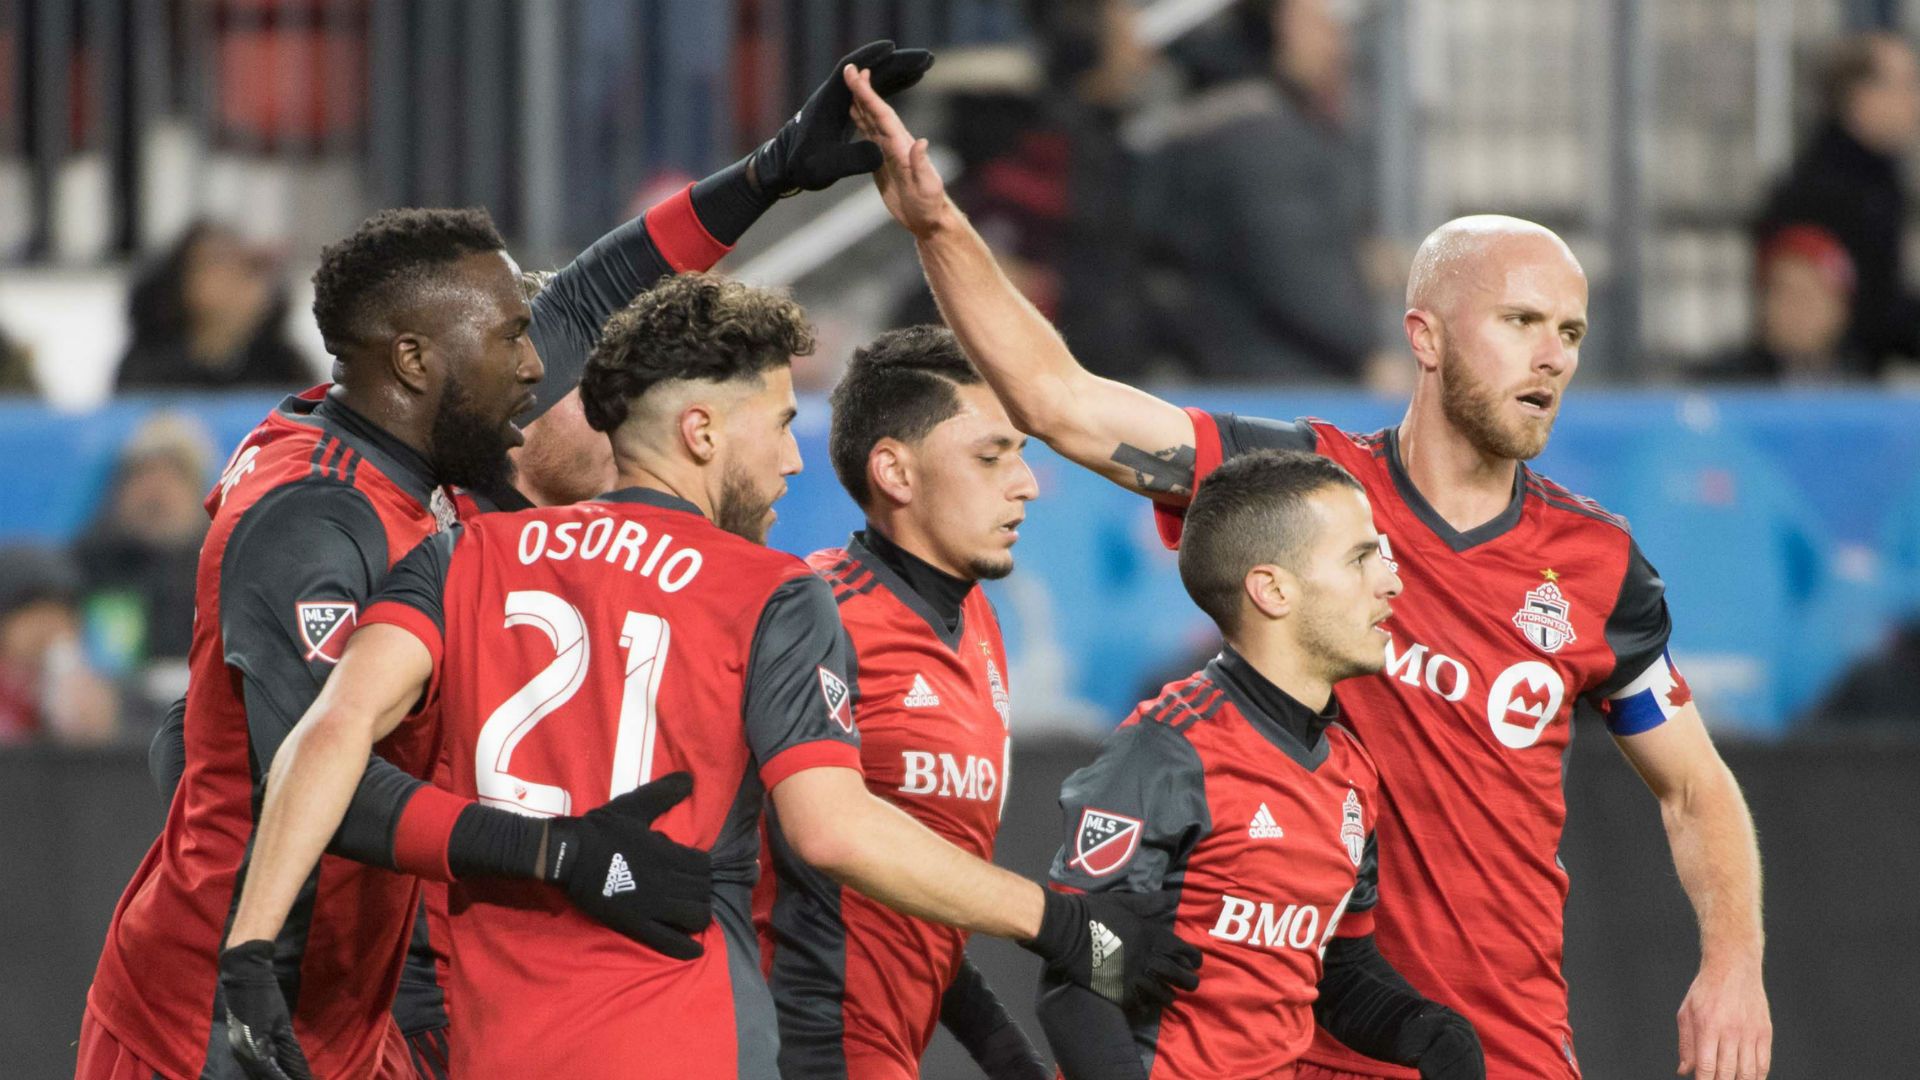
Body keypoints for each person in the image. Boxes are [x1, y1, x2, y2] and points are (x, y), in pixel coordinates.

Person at [846, 68, 1772, 1080]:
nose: (1552, 356)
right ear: (1424, 336)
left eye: (1572, 333)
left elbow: (1694, 791)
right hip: (1298, 1045)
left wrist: (1734, 965)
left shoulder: (1598, 566)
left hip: (1501, 1047)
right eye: (1520, 322)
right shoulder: (1300, 488)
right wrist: (936, 225)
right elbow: (1060, 403)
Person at [103, 42, 945, 1080]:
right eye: (512, 342)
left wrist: (769, 172)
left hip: (343, 1005)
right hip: (213, 1020)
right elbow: (318, 774)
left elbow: (594, 294)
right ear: (415, 360)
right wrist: (561, 854)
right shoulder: (313, 519)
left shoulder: (414, 428)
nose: (540, 366)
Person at [218, 273, 1201, 1080]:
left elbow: (327, 734)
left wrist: (249, 951)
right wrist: (1062, 924)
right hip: (689, 1036)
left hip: (499, 1047)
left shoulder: (462, 556)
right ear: (700, 432)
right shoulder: (770, 593)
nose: (792, 459)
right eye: (777, 423)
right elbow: (832, 825)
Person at [1037, 449, 1482, 1079]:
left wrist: (1427, 1031)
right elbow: (1078, 984)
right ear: (1272, 590)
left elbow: (1337, 971)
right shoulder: (1164, 753)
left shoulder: (1351, 769)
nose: (1391, 581)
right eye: (1360, 558)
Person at [756, 325, 1048, 1079]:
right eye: (992, 456)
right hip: (798, 1048)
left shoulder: (976, 620)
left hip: (887, 1050)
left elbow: (906, 887)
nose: (1026, 483)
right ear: (895, 471)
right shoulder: (815, 614)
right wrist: (1060, 925)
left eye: (1021, 453)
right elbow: (821, 845)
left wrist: (1001, 1048)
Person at [1133, 0, 1384, 383]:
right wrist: (1369, 353)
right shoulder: (1255, 134)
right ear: (1273, 30)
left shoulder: (1262, 121)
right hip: (1274, 380)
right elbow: (1292, 268)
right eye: (1318, 27)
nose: (1335, 45)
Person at [1755, 31, 1920, 373]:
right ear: (1860, 95)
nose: (1915, 101)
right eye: (1906, 84)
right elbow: (1872, 313)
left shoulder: (1873, 180)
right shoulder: (1828, 192)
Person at [114, 221, 315, 392]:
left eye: (249, 266)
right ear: (181, 282)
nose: (236, 277)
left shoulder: (286, 366)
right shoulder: (147, 368)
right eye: (217, 262)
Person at [1700, 225, 1861, 383]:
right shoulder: (1724, 384)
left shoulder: (1869, 384)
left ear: (1841, 309)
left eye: (1807, 296)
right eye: (1783, 292)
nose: (1796, 310)